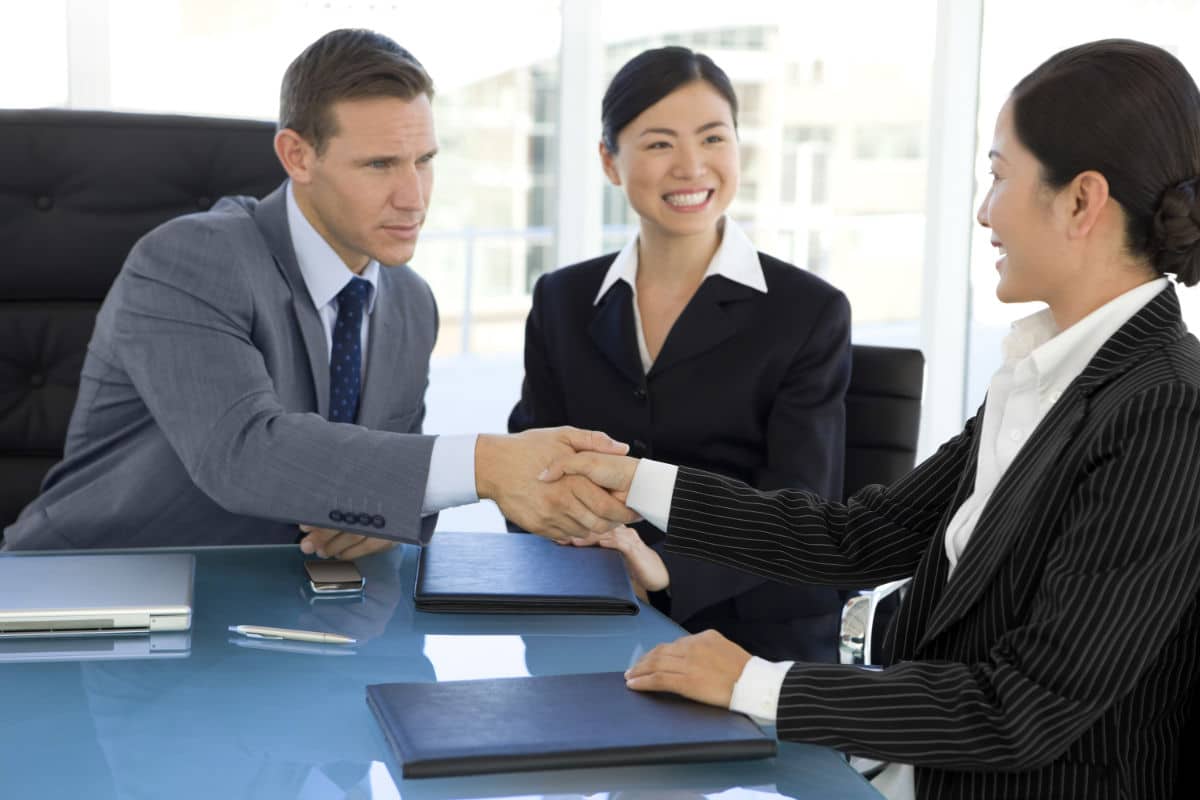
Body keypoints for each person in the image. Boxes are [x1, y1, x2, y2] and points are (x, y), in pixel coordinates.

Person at [543, 39, 1200, 800]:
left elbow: (1023, 709)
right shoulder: (1046, 373)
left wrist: (759, 684)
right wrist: (638, 482)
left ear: (1082, 201)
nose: (985, 211)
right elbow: (859, 538)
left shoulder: (1165, 409)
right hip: (900, 771)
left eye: (998, 176)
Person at [1, 28, 635, 555]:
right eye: (380, 165)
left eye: (425, 161)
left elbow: (383, 469)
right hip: (85, 600)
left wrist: (384, 523)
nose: (414, 197)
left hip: (281, 609)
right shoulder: (190, 259)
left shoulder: (410, 303)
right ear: (297, 156)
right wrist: (487, 466)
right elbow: (243, 454)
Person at [508, 46, 851, 662]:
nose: (692, 167)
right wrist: (586, 537)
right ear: (610, 162)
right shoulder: (562, 300)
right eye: (660, 143)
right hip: (586, 608)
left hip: (752, 635)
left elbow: (799, 504)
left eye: (713, 138)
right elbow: (531, 460)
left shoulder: (807, 311)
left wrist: (663, 570)